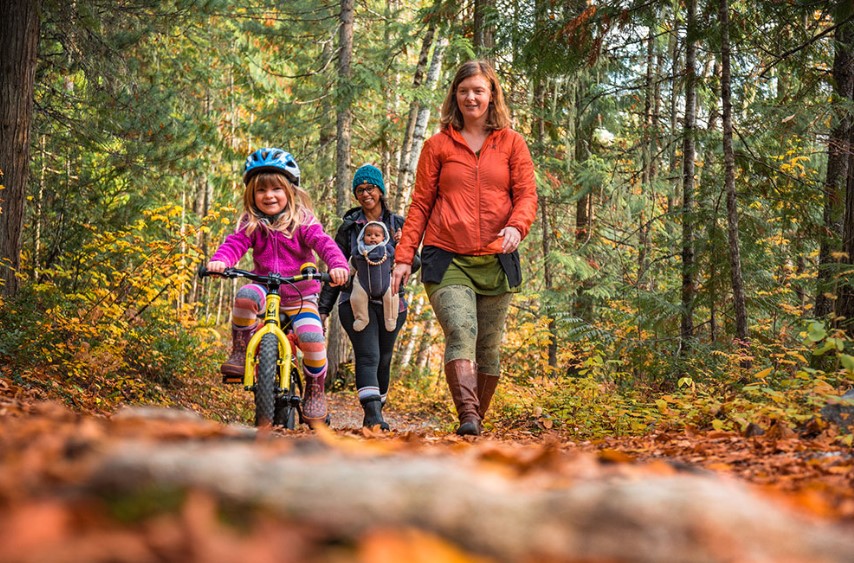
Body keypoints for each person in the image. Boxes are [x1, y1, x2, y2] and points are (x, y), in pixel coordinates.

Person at [391, 60, 538, 436]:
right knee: (461, 330)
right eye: (463, 91)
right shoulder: (437, 145)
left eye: (478, 90)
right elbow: (420, 205)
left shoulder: (512, 143)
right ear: (454, 96)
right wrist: (404, 257)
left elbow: (526, 195)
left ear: (492, 95)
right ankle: (468, 416)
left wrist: (516, 226)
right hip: (447, 257)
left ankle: (476, 421)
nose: (471, 97)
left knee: (488, 347)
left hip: (497, 258)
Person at [207, 147, 349, 427]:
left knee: (312, 338)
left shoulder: (302, 220)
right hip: (265, 288)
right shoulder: (251, 222)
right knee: (245, 296)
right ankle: (240, 350)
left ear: (290, 191)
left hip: (300, 295)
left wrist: (337, 265)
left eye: (276, 189)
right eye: (261, 190)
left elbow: (324, 243)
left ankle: (315, 390)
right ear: (251, 195)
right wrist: (220, 261)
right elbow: (234, 244)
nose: (269, 195)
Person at [319, 164, 419, 431]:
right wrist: (323, 309)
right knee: (368, 355)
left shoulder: (398, 224)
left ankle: (375, 409)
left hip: (391, 302)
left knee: (384, 359)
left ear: (380, 190)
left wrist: (402, 245)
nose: (366, 194)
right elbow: (336, 267)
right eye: (360, 190)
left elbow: (416, 263)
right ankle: (373, 415)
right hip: (354, 301)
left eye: (370, 188)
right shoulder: (349, 228)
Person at [349, 220, 398, 332]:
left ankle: (390, 319)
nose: (372, 237)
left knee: (392, 296)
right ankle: (361, 318)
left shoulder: (388, 250)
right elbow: (351, 265)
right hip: (362, 284)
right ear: (362, 236)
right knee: (356, 298)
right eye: (369, 235)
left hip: (385, 283)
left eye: (377, 235)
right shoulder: (359, 251)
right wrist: (346, 273)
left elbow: (396, 263)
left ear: (384, 237)